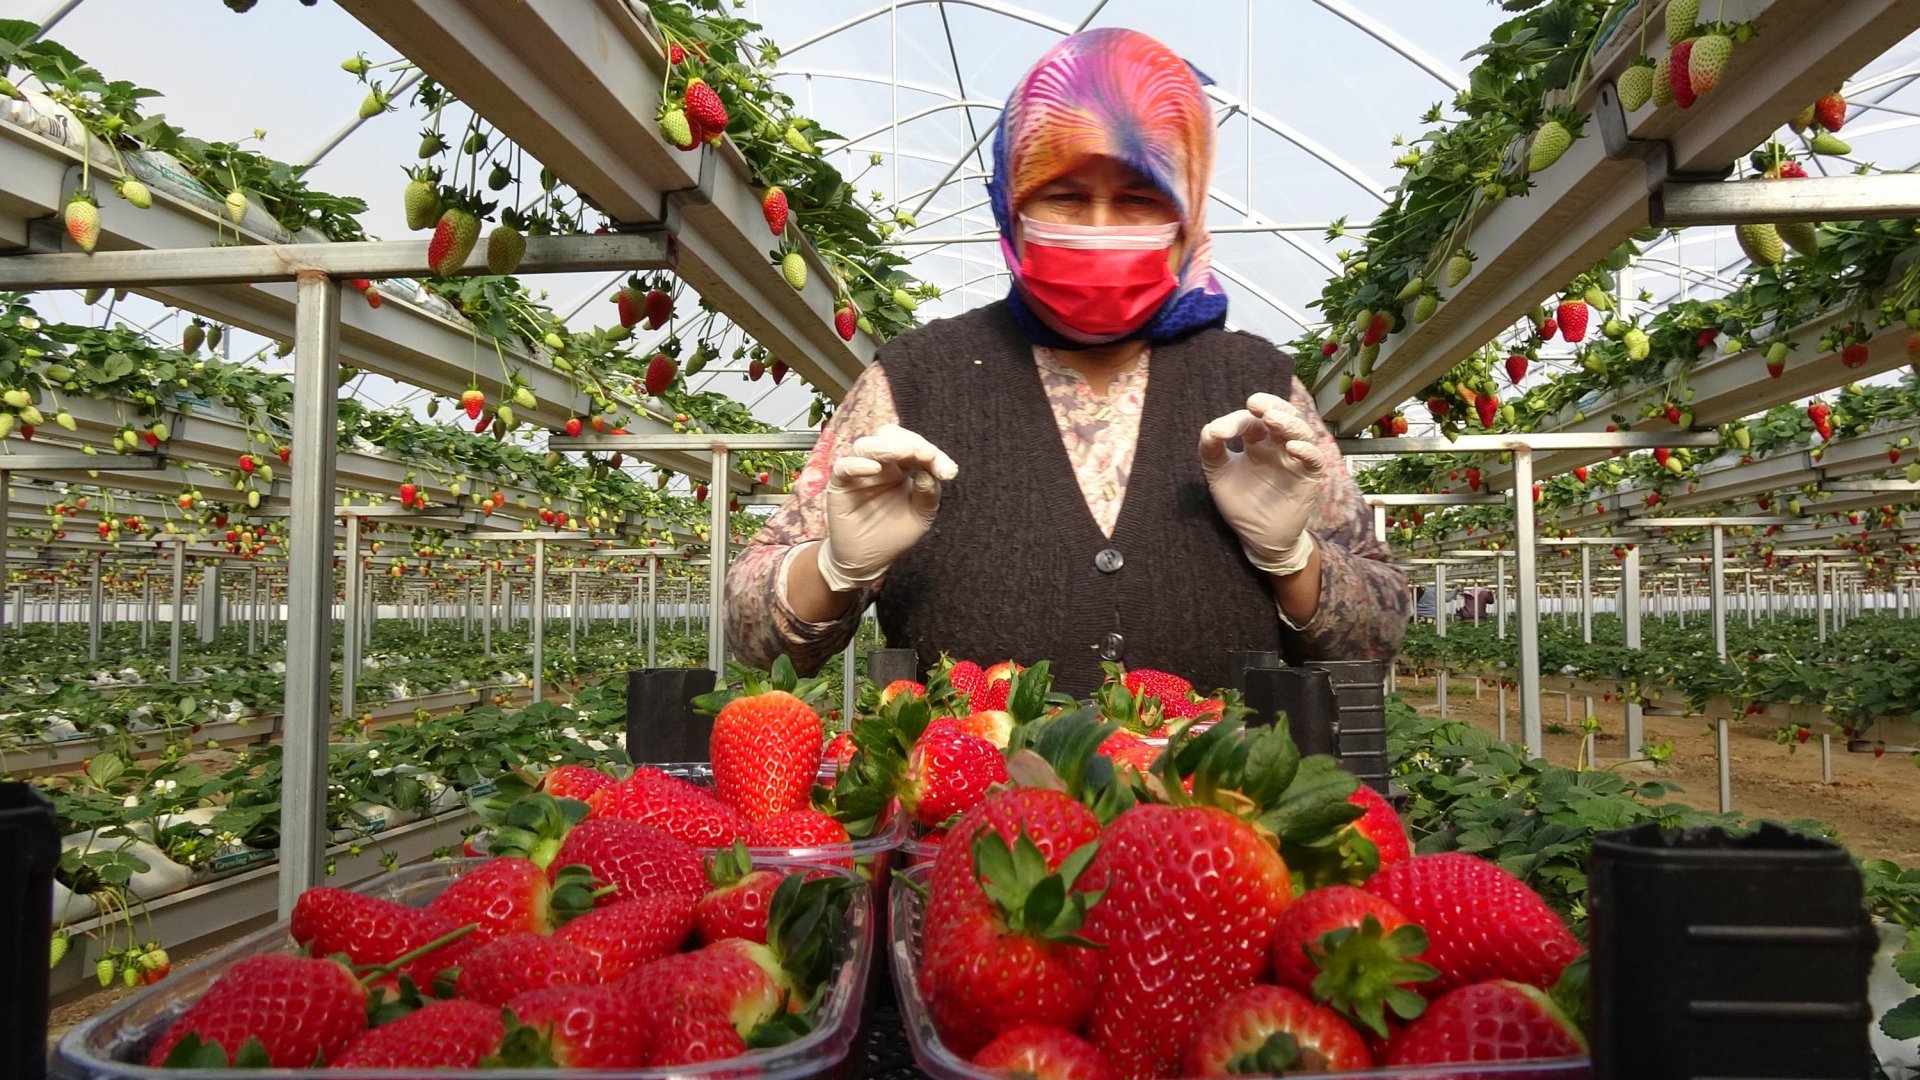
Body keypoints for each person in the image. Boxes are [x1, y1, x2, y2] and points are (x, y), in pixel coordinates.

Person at [725, 27, 1410, 695]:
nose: (1100, 227)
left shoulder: (1258, 386)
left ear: (1188, 217)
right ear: (1011, 206)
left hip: (1220, 804)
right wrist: (836, 566)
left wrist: (1294, 561)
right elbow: (754, 635)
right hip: (969, 807)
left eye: (1140, 200)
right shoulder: (916, 380)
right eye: (1066, 197)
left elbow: (1378, 634)